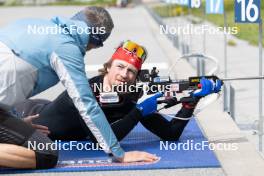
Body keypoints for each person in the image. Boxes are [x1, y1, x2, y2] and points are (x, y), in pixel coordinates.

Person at [0, 7, 153, 169]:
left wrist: (16, 121)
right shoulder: (66, 48)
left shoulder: (32, 24)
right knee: (46, 153)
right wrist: (119, 154)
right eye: (96, 45)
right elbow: (86, 104)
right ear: (94, 41)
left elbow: (10, 82)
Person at [14, 40, 222, 147]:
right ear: (109, 66)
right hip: (28, 113)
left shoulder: (131, 96)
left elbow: (170, 134)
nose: (124, 75)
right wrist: (139, 112)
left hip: (47, 106)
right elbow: (101, 141)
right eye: (120, 67)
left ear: (136, 76)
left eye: (131, 71)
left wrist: (191, 101)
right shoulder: (85, 92)